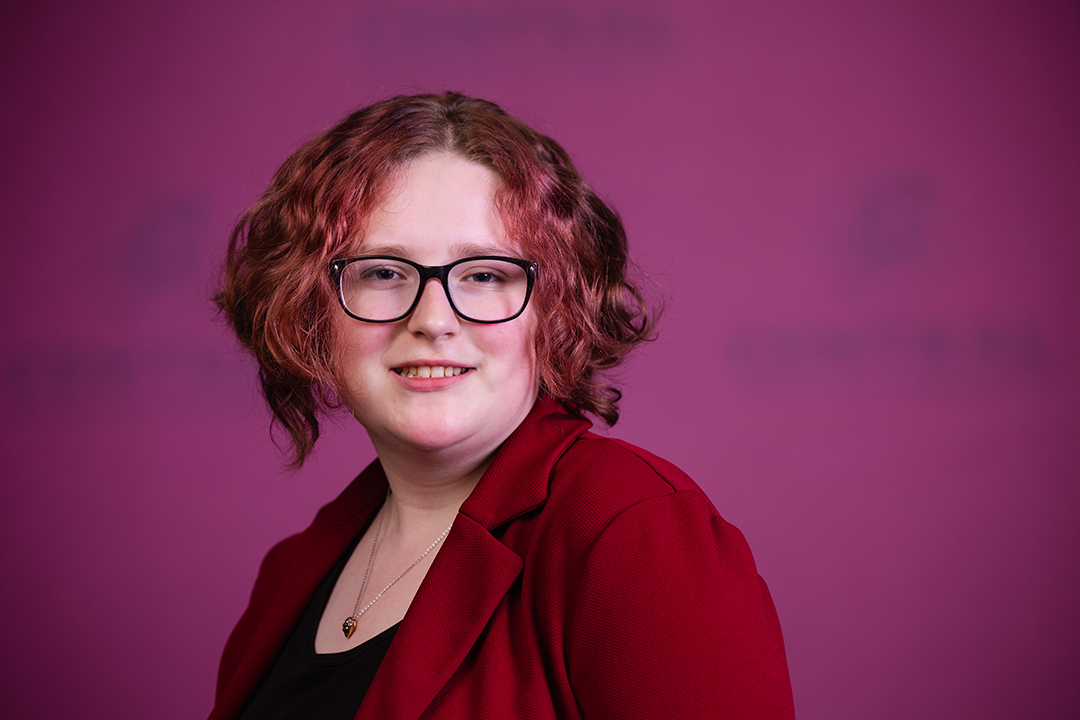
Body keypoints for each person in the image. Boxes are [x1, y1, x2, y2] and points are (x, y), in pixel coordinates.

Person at [209, 92, 795, 720]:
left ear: (555, 307)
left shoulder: (632, 533)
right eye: (383, 272)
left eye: (485, 274)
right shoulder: (289, 574)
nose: (433, 319)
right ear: (310, 309)